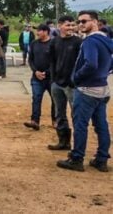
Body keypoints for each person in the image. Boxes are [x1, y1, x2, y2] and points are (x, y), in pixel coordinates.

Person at [57, 11, 113, 172]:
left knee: (80, 124)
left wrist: (77, 77)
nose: (80, 24)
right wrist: (103, 74)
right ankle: (101, 159)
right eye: (78, 21)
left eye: (84, 21)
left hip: (87, 89)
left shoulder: (90, 41)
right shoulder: (106, 40)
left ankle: (77, 158)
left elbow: (91, 64)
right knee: (101, 125)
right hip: (102, 89)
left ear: (94, 22)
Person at [48, 15, 82, 151]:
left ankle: (78, 146)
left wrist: (75, 80)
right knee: (59, 113)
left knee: (76, 115)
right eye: (68, 25)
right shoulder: (54, 42)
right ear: (60, 25)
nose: (71, 28)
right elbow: (51, 61)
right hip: (57, 84)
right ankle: (63, 141)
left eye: (73, 25)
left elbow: (81, 63)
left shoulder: (78, 42)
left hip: (72, 85)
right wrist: (53, 79)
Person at [24, 24, 54, 131]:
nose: (37, 33)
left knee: (55, 100)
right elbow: (30, 60)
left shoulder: (54, 44)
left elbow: (56, 61)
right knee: (36, 98)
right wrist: (35, 71)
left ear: (46, 32)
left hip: (51, 78)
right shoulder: (34, 43)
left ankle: (55, 121)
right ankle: (35, 121)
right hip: (36, 77)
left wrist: (46, 72)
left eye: (40, 31)